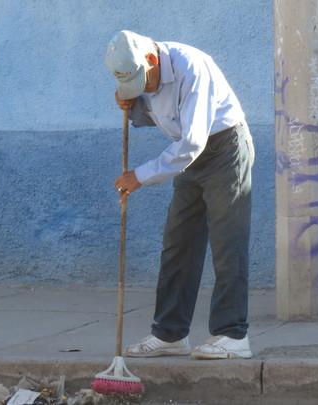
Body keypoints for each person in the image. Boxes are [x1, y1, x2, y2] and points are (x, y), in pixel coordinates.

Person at [105, 30, 255, 360]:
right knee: (178, 243)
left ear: (152, 59)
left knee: (227, 244)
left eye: (143, 82)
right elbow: (154, 112)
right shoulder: (148, 75)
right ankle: (170, 333)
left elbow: (192, 142)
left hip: (223, 150)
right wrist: (131, 106)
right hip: (188, 159)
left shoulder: (192, 68)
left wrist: (139, 176)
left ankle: (233, 335)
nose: (144, 89)